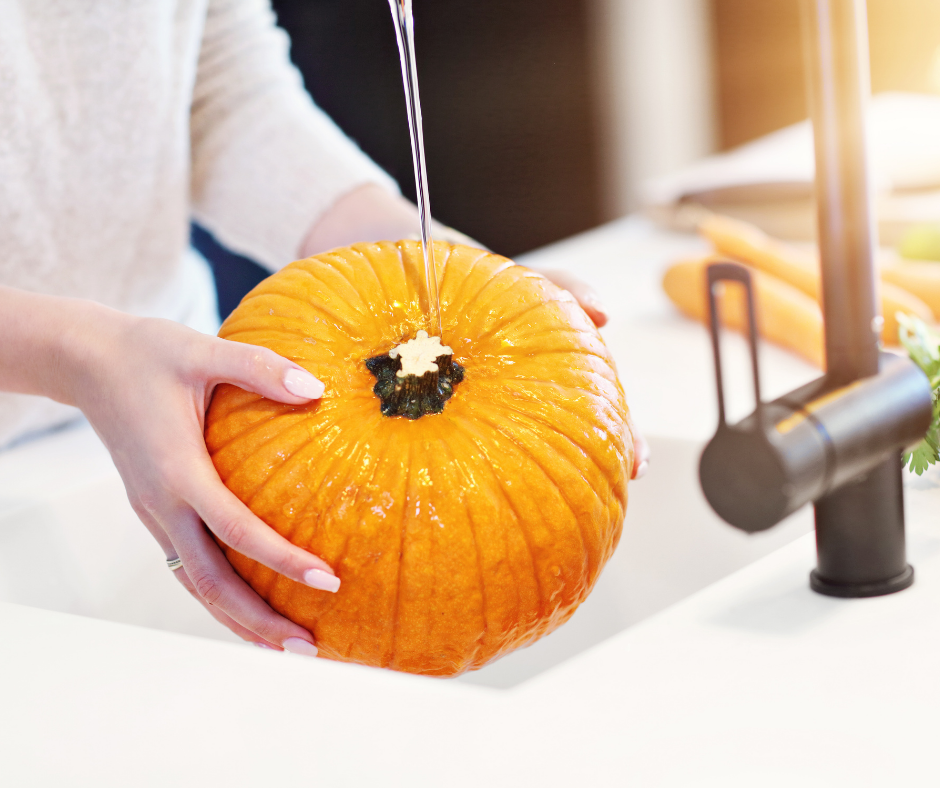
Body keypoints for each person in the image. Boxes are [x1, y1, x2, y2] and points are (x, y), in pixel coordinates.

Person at [0, 0, 649, 656]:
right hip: (114, 397)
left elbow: (220, 92)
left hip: (170, 420)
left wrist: (420, 260)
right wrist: (72, 351)